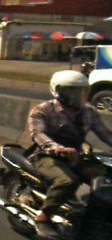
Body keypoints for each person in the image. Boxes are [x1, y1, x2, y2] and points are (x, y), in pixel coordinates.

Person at [27, 71, 112, 230]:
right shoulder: (42, 110)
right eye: (72, 91)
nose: (78, 96)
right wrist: (57, 148)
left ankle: (92, 218)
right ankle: (44, 216)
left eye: (82, 91)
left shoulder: (89, 111)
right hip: (47, 156)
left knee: (104, 179)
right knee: (68, 181)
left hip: (76, 156)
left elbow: (105, 134)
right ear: (58, 91)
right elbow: (38, 134)